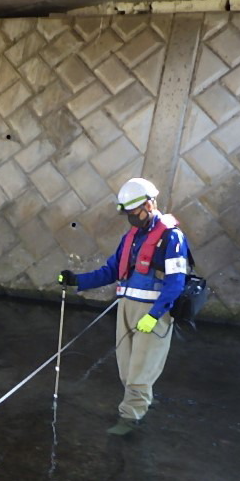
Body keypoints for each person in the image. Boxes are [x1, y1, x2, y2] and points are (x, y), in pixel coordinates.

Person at [58, 178, 189, 436]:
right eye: (127, 213)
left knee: (140, 369)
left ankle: (130, 420)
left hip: (153, 313)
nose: (131, 217)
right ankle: (142, 403)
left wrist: (154, 315)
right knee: (126, 367)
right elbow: (110, 271)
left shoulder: (172, 238)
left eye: (134, 212)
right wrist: (77, 280)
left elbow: (176, 283)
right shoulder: (131, 237)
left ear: (149, 204)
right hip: (127, 309)